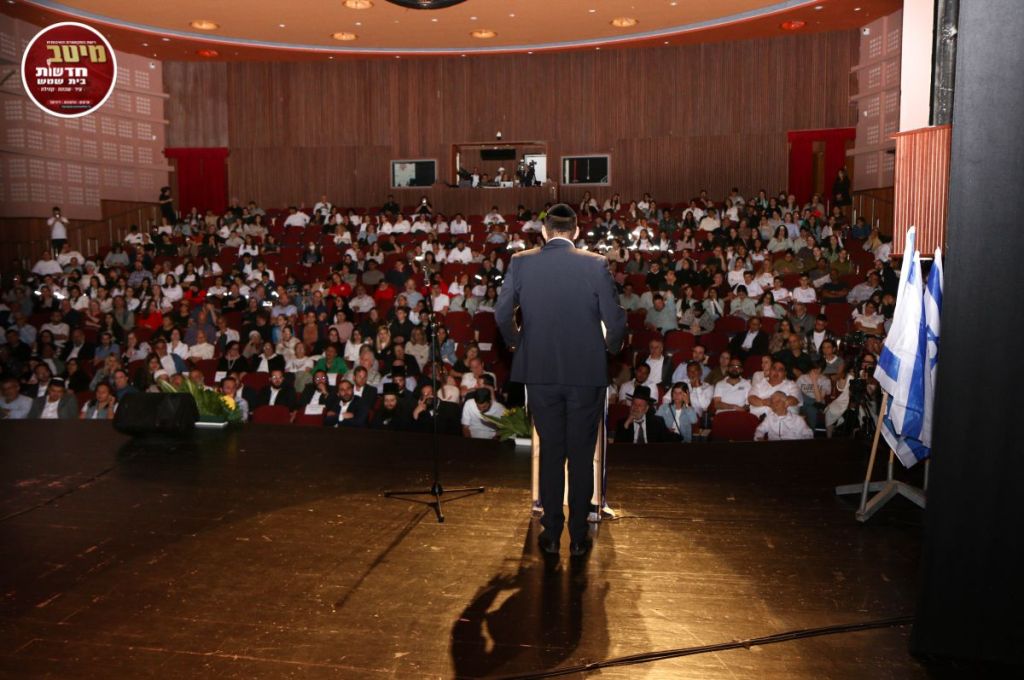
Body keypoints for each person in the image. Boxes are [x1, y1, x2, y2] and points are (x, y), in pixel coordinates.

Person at [496, 203, 627, 558]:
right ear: (576, 232)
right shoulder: (595, 263)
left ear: (543, 232)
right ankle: (580, 536)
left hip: (540, 373)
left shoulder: (521, 262)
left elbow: (502, 313)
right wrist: (609, 349)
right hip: (586, 373)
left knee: (551, 452)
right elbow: (615, 320)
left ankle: (552, 533)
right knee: (581, 455)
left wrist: (517, 343)